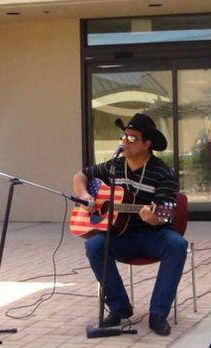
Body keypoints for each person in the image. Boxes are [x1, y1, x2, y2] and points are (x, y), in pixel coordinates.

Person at [72, 113, 188, 336]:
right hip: (121, 235)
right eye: (123, 136)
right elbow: (80, 176)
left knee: (177, 245)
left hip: (152, 235)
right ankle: (119, 307)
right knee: (94, 245)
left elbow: (165, 212)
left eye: (132, 138)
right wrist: (86, 196)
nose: (125, 141)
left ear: (147, 144)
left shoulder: (163, 172)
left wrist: (153, 217)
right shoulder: (114, 166)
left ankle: (158, 314)